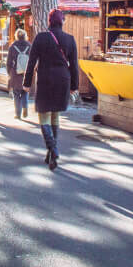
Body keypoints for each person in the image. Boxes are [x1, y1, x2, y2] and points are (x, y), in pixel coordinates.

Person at [24, 9, 79, 171]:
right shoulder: (70, 39)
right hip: (63, 80)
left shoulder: (41, 38)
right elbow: (74, 65)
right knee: (55, 115)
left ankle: (53, 149)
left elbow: (31, 61)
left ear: (49, 21)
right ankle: (51, 154)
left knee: (44, 116)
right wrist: (74, 86)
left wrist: (27, 83)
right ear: (62, 21)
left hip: (45, 80)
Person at [6, 29, 32, 119]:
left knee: (16, 94)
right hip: (26, 73)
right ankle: (25, 107)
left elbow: (9, 62)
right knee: (25, 91)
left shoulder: (13, 46)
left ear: (16, 36)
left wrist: (9, 72)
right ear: (25, 36)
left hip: (15, 73)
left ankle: (18, 114)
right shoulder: (29, 46)